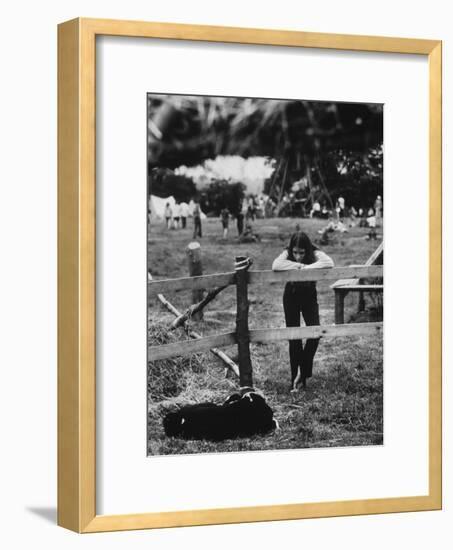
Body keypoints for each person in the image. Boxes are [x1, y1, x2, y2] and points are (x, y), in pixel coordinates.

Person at [272, 232, 334, 390]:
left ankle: (303, 371)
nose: (298, 256)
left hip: (309, 295)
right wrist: (297, 266)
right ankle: (297, 381)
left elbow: (329, 262)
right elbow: (276, 265)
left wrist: (306, 268)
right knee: (294, 337)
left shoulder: (315, 252)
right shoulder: (287, 251)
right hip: (291, 295)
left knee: (315, 332)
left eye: (301, 252)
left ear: (307, 249)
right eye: (295, 252)